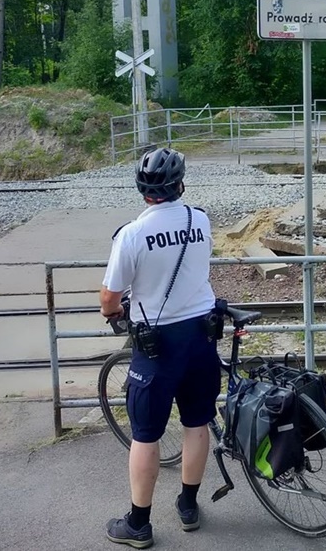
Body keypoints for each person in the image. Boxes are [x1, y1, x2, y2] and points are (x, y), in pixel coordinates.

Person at [99, 147, 222, 548]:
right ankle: (188, 506)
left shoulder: (132, 234)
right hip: (202, 338)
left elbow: (109, 298)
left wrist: (115, 312)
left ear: (142, 190)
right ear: (180, 185)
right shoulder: (200, 221)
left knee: (146, 435)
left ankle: (138, 525)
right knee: (196, 423)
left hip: (157, 348)